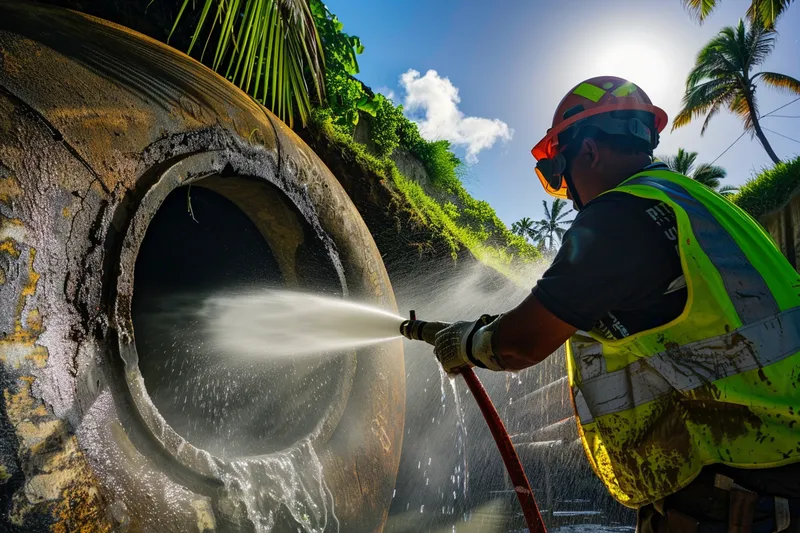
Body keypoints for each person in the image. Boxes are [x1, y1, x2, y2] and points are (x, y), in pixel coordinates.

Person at [433, 76, 800, 533]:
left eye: (561, 171)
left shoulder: (618, 216)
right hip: (769, 475)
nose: (567, 193)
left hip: (743, 501)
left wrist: (467, 343)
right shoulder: (697, 205)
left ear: (588, 151)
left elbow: (521, 345)